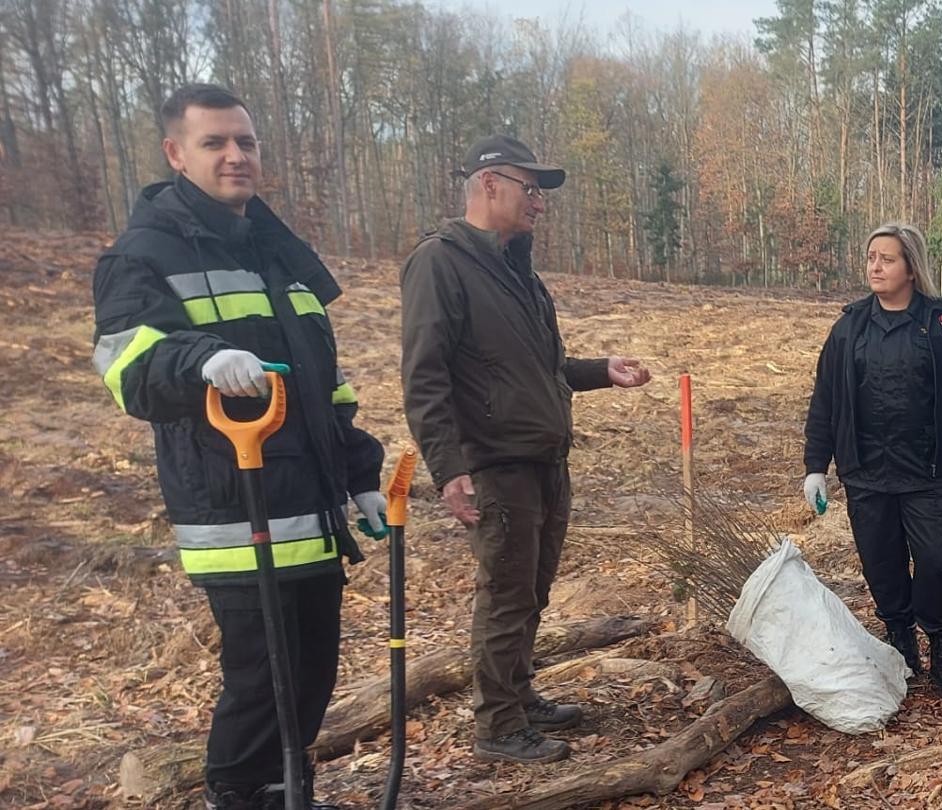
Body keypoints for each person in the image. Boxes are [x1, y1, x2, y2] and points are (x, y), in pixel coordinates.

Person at [90, 83, 386, 809]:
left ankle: (291, 793)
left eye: (245, 142)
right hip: (236, 509)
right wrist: (196, 361)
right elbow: (130, 367)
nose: (234, 156)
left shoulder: (276, 252)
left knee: (310, 673)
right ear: (175, 153)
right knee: (263, 678)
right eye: (215, 143)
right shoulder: (144, 254)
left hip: (310, 510)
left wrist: (360, 475)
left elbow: (326, 385)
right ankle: (240, 794)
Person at [399, 135, 652, 764]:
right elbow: (423, 376)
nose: (539, 202)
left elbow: (539, 367)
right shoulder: (441, 262)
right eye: (529, 188)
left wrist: (601, 370)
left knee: (532, 590)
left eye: (540, 191)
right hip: (495, 463)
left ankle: (519, 694)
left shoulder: (515, 268)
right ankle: (499, 726)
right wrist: (448, 469)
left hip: (543, 457)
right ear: (489, 185)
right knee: (506, 595)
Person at [801, 223, 942, 706]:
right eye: (870, 257)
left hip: (928, 475)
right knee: (882, 568)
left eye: (887, 258)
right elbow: (826, 399)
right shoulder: (850, 328)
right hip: (867, 475)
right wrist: (815, 466)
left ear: (911, 268)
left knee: (934, 564)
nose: (875, 267)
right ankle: (903, 649)